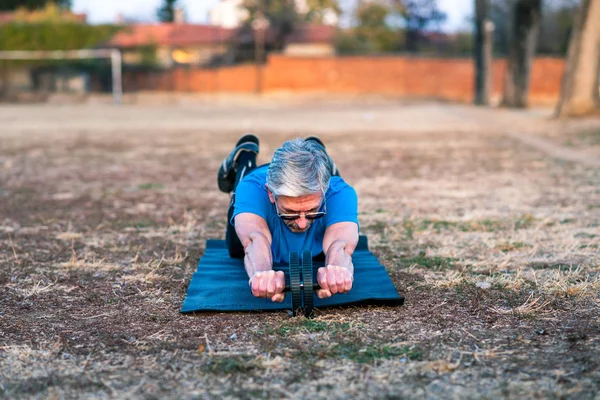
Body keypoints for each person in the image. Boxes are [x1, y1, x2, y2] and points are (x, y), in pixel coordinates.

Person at [217, 134, 359, 302]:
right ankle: (245, 156)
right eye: (290, 212)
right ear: (271, 193)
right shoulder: (253, 189)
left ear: (324, 192)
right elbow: (255, 238)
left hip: (324, 189)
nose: (302, 223)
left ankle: (318, 153)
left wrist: (337, 269)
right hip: (253, 184)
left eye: (313, 210)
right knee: (236, 249)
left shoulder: (339, 192)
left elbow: (340, 244)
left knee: (322, 253)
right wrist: (261, 273)